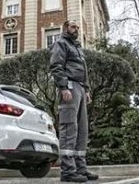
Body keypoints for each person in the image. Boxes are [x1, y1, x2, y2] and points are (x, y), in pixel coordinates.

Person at [49, 20, 98, 182]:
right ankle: (68, 171)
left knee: (82, 130)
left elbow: (84, 71)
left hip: (80, 88)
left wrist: (87, 89)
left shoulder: (77, 47)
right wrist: (63, 87)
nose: (76, 29)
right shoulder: (61, 43)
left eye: (77, 27)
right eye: (73, 26)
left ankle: (81, 169)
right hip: (69, 86)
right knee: (69, 128)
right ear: (65, 28)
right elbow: (56, 66)